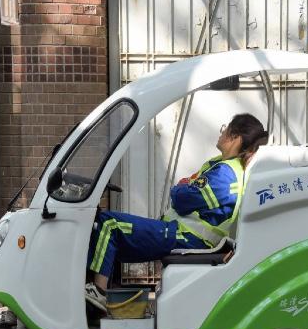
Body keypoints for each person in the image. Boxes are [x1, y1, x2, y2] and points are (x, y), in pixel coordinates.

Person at [84, 113, 269, 311]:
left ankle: (99, 292)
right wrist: (185, 187)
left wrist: (181, 188)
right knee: (112, 239)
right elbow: (188, 188)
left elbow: (182, 198)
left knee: (109, 223)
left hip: (187, 236)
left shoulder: (225, 175)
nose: (222, 132)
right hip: (181, 233)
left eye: (226, 128)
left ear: (235, 138)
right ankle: (101, 295)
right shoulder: (220, 166)